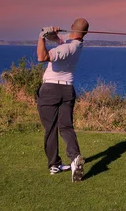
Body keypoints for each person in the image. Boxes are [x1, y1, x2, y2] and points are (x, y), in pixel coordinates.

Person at [36, 18, 88, 182]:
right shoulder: (77, 45)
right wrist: (52, 34)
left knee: (50, 129)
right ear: (85, 33)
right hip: (67, 90)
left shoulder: (67, 48)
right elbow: (59, 40)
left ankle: (53, 164)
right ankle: (74, 158)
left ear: (72, 27)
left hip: (51, 90)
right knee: (66, 127)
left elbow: (42, 57)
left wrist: (41, 37)